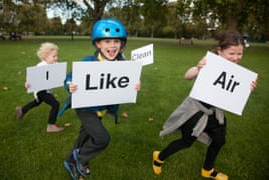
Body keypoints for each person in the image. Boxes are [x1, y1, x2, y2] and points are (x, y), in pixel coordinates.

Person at [152, 31, 257, 180]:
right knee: (186, 142)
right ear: (220, 51)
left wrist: (246, 89)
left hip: (215, 113)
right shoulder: (209, 63)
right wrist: (198, 68)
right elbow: (187, 75)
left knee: (219, 140)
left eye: (239, 54)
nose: (236, 58)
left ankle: (207, 169)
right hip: (195, 113)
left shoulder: (236, 72)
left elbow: (231, 96)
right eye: (231, 53)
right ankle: (159, 157)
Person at [63, 18, 141, 179]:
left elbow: (125, 83)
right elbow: (69, 77)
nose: (112, 46)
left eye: (116, 41)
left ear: (122, 44)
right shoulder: (88, 62)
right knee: (102, 138)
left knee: (84, 137)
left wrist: (135, 84)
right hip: (85, 108)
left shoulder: (122, 64)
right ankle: (81, 159)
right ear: (98, 44)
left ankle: (70, 161)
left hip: (101, 110)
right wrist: (69, 84)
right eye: (107, 41)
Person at [15, 42, 64, 133]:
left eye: (56, 56)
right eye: (54, 56)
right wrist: (27, 82)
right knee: (55, 104)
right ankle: (51, 125)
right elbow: (31, 74)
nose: (56, 58)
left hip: (47, 90)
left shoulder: (55, 64)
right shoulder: (41, 65)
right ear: (45, 57)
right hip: (41, 90)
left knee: (36, 102)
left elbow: (60, 73)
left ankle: (21, 110)